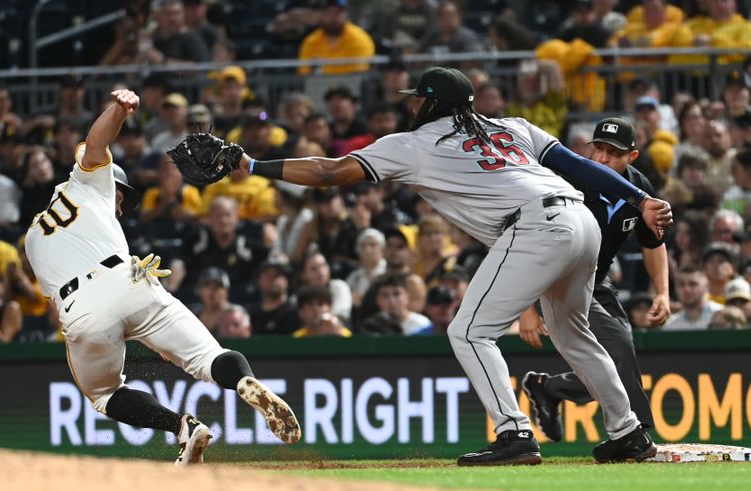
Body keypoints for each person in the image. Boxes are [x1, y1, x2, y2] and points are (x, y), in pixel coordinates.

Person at [229, 66, 672, 465]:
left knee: (469, 331)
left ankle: (514, 433)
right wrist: (639, 198)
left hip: (537, 225)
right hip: (581, 221)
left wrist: (252, 165)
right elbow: (576, 166)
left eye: (419, 99)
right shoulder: (513, 127)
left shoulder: (413, 144)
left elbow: (328, 172)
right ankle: (628, 433)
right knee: (574, 334)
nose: (413, 105)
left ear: (434, 103)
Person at [24, 89, 300, 465]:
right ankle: (242, 382)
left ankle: (182, 427)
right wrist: (119, 111)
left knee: (105, 395)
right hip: (131, 282)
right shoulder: (89, 182)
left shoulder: (32, 239)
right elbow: (96, 142)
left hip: (80, 307)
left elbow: (57, 301)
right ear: (114, 185)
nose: (121, 207)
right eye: (123, 198)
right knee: (209, 356)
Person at [519, 117, 669, 442]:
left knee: (615, 359)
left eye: (612, 153)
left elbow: (653, 242)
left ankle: (549, 387)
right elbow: (526, 240)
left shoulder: (640, 189)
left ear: (632, 157)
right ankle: (637, 432)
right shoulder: (568, 179)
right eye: (598, 149)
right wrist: (526, 307)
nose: (601, 158)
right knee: (620, 346)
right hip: (559, 281)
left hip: (597, 282)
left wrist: (663, 292)